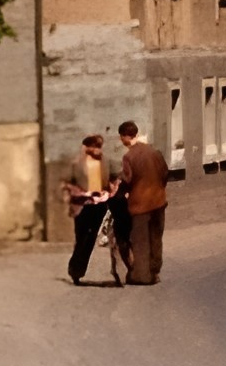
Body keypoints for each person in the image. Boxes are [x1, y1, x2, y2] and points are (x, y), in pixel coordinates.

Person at [64, 133, 124, 285]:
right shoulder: (77, 163)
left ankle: (78, 270)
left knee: (91, 238)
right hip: (82, 205)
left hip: (99, 204)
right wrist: (83, 193)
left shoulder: (106, 161)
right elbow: (69, 184)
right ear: (87, 147)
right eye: (95, 147)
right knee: (81, 237)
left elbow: (116, 177)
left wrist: (110, 191)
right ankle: (75, 269)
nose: (98, 150)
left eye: (99, 147)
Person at [116, 120, 170, 285]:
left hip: (140, 205)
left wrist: (120, 190)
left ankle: (142, 276)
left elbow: (127, 180)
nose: (121, 141)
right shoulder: (154, 152)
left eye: (121, 137)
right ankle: (155, 272)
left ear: (125, 137)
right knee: (156, 238)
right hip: (159, 201)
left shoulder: (129, 156)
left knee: (140, 241)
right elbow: (165, 173)